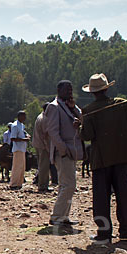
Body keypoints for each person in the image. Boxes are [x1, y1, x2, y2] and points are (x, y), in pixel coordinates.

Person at [79, 73, 127, 244]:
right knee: (123, 194)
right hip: (121, 157)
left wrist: (78, 126)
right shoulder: (121, 104)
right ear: (107, 88)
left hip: (101, 160)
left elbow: (87, 135)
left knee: (101, 197)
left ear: (92, 92)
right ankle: (126, 231)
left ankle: (104, 232)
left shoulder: (89, 111)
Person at [44, 80, 83, 226]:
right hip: (64, 152)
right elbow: (53, 132)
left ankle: (64, 216)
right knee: (69, 185)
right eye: (67, 90)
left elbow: (82, 118)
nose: (70, 92)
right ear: (59, 90)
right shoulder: (54, 107)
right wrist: (63, 150)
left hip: (71, 150)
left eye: (71, 90)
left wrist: (74, 109)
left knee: (66, 184)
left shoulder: (69, 106)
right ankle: (57, 217)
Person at [32, 103, 52, 193]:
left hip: (37, 144)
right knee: (44, 166)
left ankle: (41, 183)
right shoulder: (45, 119)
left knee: (41, 165)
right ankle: (43, 186)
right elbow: (45, 135)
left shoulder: (39, 116)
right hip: (43, 146)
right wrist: (48, 147)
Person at [9, 111, 30, 189]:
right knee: (17, 167)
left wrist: (27, 135)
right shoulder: (15, 126)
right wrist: (24, 140)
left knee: (22, 167)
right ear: (19, 116)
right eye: (23, 116)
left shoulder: (21, 125)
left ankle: (19, 183)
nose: (25, 118)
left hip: (22, 148)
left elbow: (24, 132)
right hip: (18, 148)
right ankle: (14, 183)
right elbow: (13, 138)